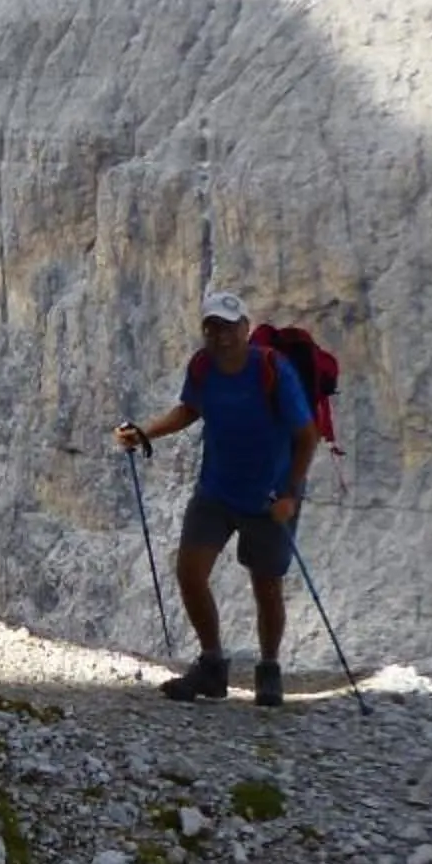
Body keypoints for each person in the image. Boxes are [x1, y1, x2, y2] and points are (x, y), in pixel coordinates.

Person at [114, 290, 320, 707]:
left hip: (269, 495)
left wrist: (290, 494)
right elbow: (190, 409)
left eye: (228, 327)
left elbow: (306, 436)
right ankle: (211, 666)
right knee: (190, 572)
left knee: (266, 586)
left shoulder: (272, 370)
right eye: (212, 327)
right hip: (217, 490)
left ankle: (269, 669)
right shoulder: (203, 367)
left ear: (246, 328)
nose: (220, 335)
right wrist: (145, 433)